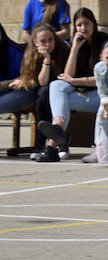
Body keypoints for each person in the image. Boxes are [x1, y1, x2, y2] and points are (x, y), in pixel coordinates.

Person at [39, 8, 108, 163]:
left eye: (87, 23)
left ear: (93, 24)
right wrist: (74, 49)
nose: (83, 28)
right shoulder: (76, 43)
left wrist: (75, 82)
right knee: (56, 85)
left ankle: (51, 147)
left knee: (60, 95)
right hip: (83, 93)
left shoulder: (107, 42)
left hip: (105, 95)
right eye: (79, 25)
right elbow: (66, 77)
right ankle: (59, 127)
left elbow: (103, 80)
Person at [0, 25, 68, 160]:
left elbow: (37, 82)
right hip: (26, 88)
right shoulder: (31, 54)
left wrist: (47, 61)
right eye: (43, 41)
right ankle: (49, 143)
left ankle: (51, 143)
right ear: (35, 42)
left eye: (50, 39)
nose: (48, 44)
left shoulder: (61, 52)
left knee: (43, 95)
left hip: (39, 90)